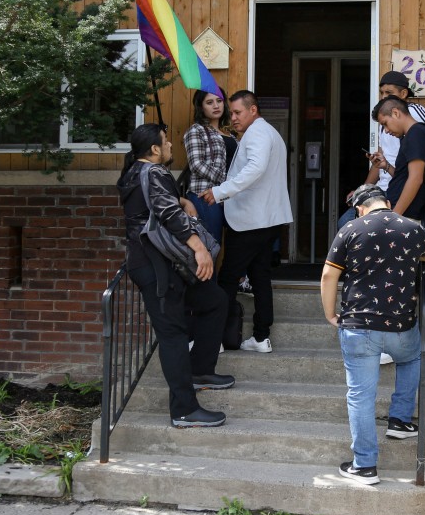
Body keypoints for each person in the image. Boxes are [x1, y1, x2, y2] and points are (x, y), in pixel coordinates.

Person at [320, 184, 425, 485]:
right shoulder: (412, 228)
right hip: (400, 325)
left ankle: (365, 465)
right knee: (412, 358)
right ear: (386, 202)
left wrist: (330, 313)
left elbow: (329, 274)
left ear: (360, 208)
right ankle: (399, 420)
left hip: (358, 325)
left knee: (361, 395)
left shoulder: (350, 229)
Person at [117, 123, 233, 429]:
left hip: (160, 263)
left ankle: (200, 370)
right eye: (166, 143)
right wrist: (200, 249)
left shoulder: (133, 172)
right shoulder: (153, 172)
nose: (170, 147)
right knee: (173, 334)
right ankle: (184, 409)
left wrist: (181, 199)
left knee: (214, 300)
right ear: (154, 149)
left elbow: (159, 205)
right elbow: (167, 215)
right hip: (156, 265)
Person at [201, 90, 293, 353]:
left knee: (228, 277)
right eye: (232, 113)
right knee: (260, 276)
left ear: (253, 110)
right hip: (266, 219)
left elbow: (255, 168)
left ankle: (216, 339)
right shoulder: (268, 133)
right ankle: (261, 337)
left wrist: (220, 191)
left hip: (252, 220)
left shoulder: (258, 134)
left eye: (237, 112)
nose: (234, 117)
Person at [338, 71, 425, 227]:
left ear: (403, 95)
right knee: (350, 226)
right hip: (388, 194)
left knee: (350, 226)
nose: (384, 96)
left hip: (403, 205)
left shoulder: (415, 122)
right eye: (382, 93)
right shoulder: (401, 133)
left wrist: (395, 215)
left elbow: (415, 177)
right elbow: (396, 170)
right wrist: (363, 189)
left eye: (389, 93)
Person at [373, 95, 425, 220]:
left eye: (385, 124)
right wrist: (386, 165)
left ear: (396, 113)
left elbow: (415, 179)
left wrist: (395, 216)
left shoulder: (416, 134)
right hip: (403, 213)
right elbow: (405, 176)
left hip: (406, 215)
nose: (386, 130)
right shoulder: (411, 135)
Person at [183, 88, 234, 244]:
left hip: (228, 196)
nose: (216, 106)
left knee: (236, 244)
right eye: (209, 102)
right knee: (211, 245)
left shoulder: (230, 134)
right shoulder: (196, 130)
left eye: (219, 101)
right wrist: (227, 180)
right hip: (204, 196)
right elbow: (197, 164)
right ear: (201, 106)